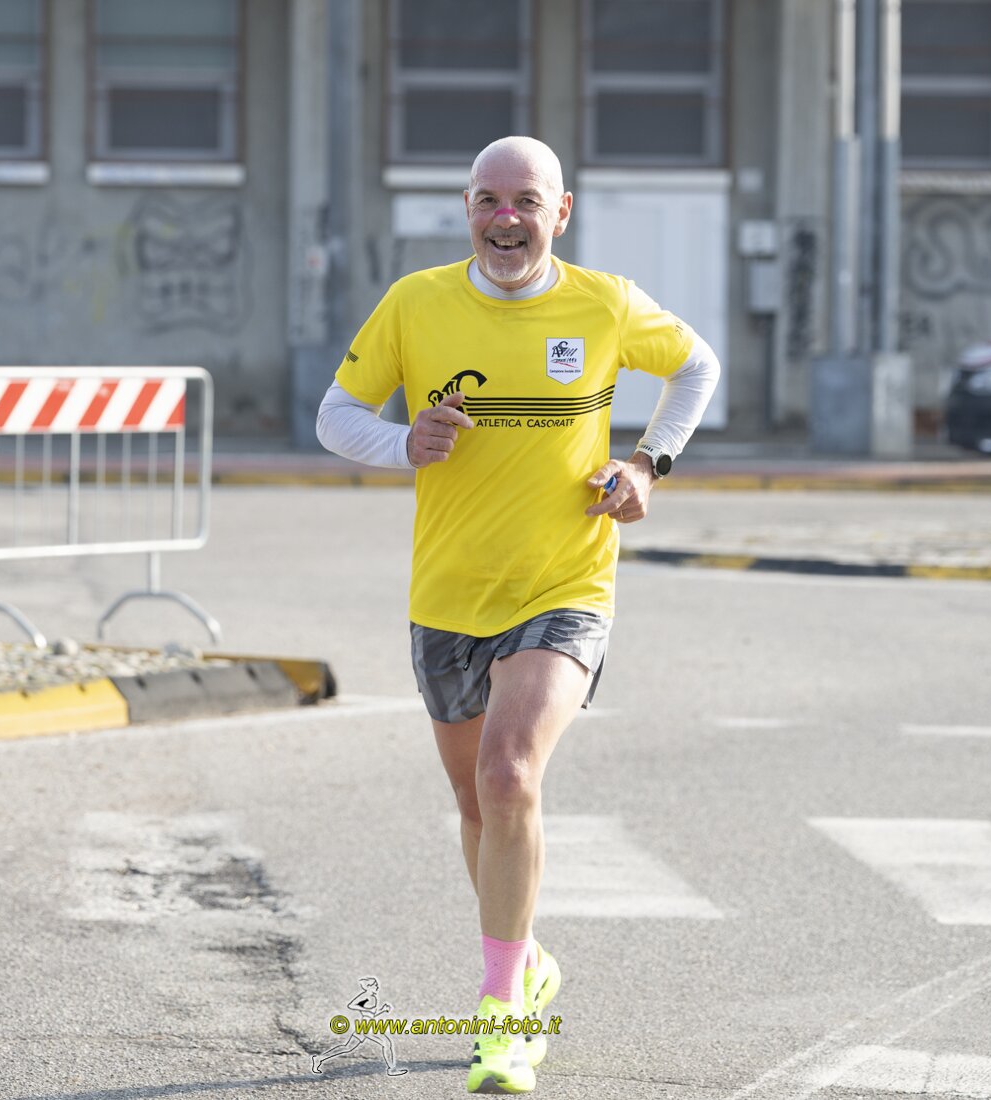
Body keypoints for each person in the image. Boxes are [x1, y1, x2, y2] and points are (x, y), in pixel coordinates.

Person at [316, 135, 720, 1094]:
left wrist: (647, 465)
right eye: (489, 200)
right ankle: (526, 961)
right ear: (467, 209)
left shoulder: (605, 303)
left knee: (508, 775)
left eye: (527, 201)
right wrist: (402, 442)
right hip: (448, 595)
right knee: (479, 806)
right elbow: (336, 415)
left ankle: (501, 1018)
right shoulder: (415, 302)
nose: (507, 219)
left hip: (564, 585)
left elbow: (696, 366)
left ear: (560, 213)